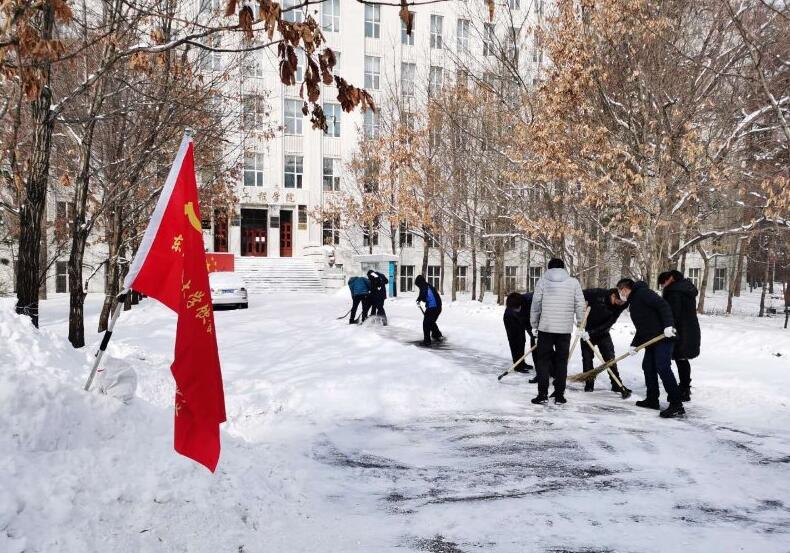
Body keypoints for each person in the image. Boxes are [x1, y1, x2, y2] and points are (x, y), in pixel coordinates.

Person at [616, 278, 685, 418]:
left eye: (620, 291)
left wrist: (668, 326)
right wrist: (634, 344)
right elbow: (643, 327)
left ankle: (677, 404)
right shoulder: (634, 301)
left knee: (663, 367)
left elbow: (663, 305)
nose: (620, 294)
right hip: (651, 340)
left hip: (663, 337)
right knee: (648, 366)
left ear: (624, 289)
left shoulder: (643, 293)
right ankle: (652, 400)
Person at [530, 258, 586, 405]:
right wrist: (581, 324)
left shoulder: (542, 281)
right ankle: (559, 395)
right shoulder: (573, 282)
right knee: (562, 362)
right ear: (563, 268)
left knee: (543, 362)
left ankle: (542, 394)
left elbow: (536, 304)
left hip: (546, 328)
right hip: (564, 329)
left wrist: (534, 324)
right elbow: (580, 304)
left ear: (549, 268)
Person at [580, 288, 632, 398]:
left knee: (610, 358)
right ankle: (589, 383)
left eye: (622, 303)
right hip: (586, 330)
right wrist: (579, 320)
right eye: (618, 301)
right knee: (587, 358)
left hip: (603, 332)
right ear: (613, 296)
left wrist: (593, 332)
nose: (619, 304)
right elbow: (578, 296)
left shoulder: (622, 305)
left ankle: (616, 384)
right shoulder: (597, 293)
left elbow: (611, 321)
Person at [658, 270, 700, 402]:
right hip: (690, 328)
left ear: (670, 279)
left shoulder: (674, 292)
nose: (663, 285)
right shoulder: (686, 288)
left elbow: (673, 313)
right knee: (682, 358)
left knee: (680, 358)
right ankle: (685, 387)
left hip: (681, 330)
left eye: (663, 282)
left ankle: (684, 390)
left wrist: (665, 325)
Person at [503, 292, 535, 374]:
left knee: (522, 340)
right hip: (510, 319)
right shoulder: (513, 308)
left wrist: (534, 335)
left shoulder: (532, 301)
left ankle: (521, 362)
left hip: (523, 316)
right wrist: (533, 335)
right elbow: (526, 323)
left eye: (516, 309)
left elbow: (529, 321)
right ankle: (518, 365)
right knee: (515, 340)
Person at [415, 274, 443, 346]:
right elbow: (423, 295)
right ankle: (437, 335)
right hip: (438, 307)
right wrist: (419, 299)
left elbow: (423, 295)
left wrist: (420, 299)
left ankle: (427, 341)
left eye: (417, 285)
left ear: (419, 282)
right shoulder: (427, 285)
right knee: (431, 322)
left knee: (426, 323)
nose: (418, 286)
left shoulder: (424, 286)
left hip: (432, 307)